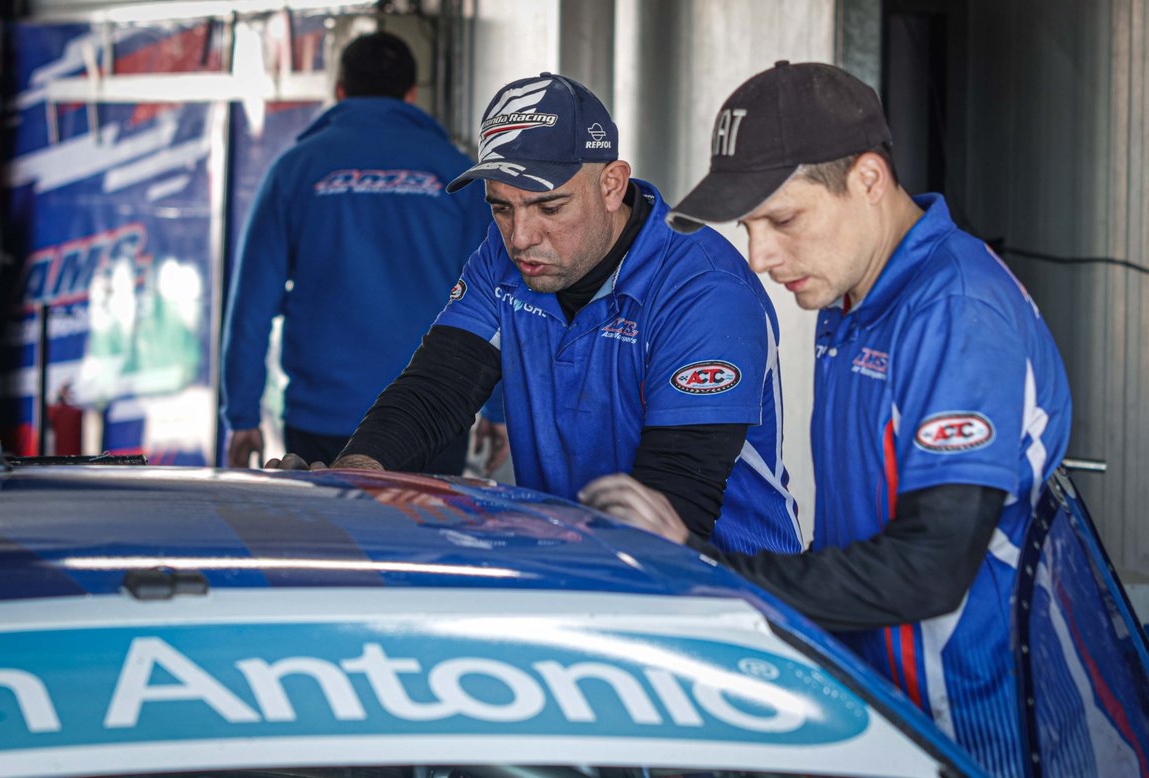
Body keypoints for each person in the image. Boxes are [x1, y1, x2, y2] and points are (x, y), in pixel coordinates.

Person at [580, 62, 1072, 778]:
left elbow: (931, 570)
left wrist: (701, 563)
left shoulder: (955, 313)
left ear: (869, 179)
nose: (761, 256)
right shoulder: (852, 294)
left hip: (975, 727)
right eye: (749, 227)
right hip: (877, 704)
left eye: (782, 220)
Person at [291, 72, 802, 556]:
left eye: (550, 208)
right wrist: (353, 477)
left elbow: (673, 501)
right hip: (579, 560)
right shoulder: (505, 255)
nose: (520, 237)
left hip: (725, 590)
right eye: (501, 207)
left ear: (611, 185)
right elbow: (439, 387)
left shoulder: (702, 288)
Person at [220, 31, 495, 472]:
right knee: (421, 541)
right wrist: (498, 410)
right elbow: (495, 300)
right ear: (411, 95)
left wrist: (242, 415)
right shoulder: (457, 173)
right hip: (434, 419)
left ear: (340, 91)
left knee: (329, 542)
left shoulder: (296, 169)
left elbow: (251, 307)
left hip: (322, 422)